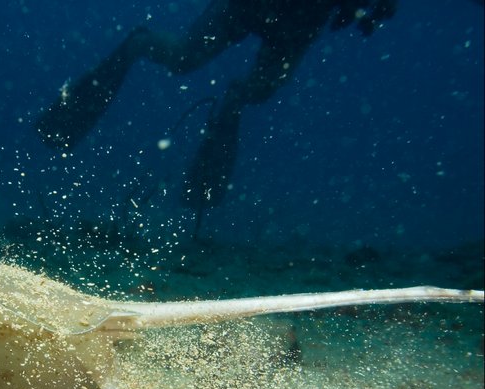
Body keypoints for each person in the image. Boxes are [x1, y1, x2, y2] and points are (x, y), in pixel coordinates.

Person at [36, 1, 398, 230]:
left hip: (301, 20)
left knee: (257, 90)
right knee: (184, 58)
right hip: (250, 6)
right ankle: (137, 43)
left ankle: (213, 155)